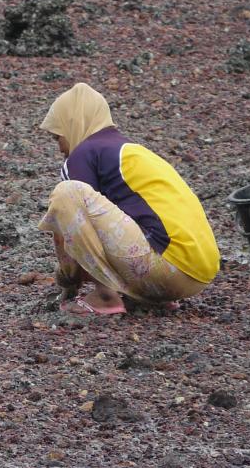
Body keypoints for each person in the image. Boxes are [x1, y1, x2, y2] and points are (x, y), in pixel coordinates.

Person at [37, 82, 219, 317]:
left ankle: (105, 296)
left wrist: (67, 279)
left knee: (66, 194)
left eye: (57, 137)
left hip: (165, 270)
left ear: (74, 125)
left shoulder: (84, 154)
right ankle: (151, 298)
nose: (61, 148)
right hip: (196, 275)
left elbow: (73, 228)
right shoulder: (131, 150)